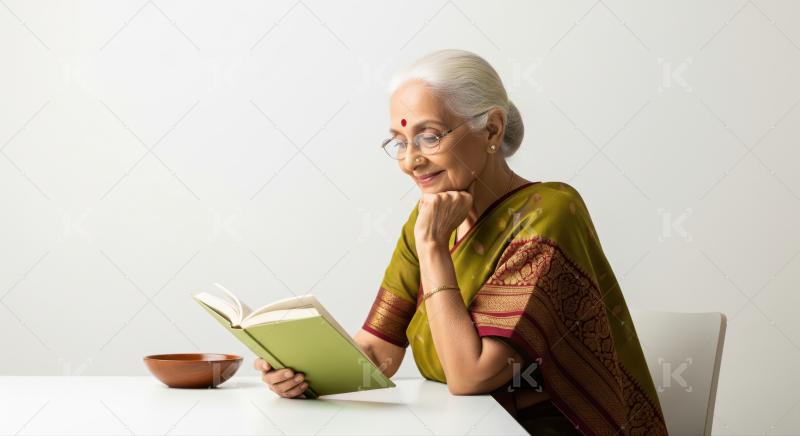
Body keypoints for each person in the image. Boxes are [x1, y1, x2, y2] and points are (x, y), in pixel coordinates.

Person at [255, 49, 668, 435]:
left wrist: (434, 250)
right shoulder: (429, 218)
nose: (410, 161)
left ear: (491, 128)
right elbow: (379, 353)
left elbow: (471, 375)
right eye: (400, 142)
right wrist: (300, 374)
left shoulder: (547, 214)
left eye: (429, 137)